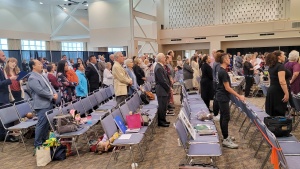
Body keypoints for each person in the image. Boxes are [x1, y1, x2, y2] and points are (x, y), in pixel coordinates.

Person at [216, 53, 245, 149]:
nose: (230, 59)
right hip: (223, 96)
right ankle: (225, 139)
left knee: (223, 117)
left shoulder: (221, 70)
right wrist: (238, 96)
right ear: (224, 60)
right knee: (226, 117)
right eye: (228, 58)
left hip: (222, 96)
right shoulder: (223, 72)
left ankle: (225, 136)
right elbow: (227, 88)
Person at [28, 59, 57, 148]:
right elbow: (40, 91)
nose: (42, 65)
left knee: (46, 124)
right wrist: (51, 96)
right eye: (39, 64)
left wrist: (54, 93)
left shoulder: (42, 75)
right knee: (41, 124)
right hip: (41, 104)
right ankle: (38, 144)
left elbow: (50, 86)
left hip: (48, 102)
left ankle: (45, 141)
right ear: (33, 66)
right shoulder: (32, 78)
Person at [0, 51, 19, 142]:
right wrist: (10, 79)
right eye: (3, 55)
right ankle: (6, 136)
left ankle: (5, 135)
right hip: (1, 97)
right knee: (5, 118)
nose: (5, 57)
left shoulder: (1, 68)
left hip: (4, 96)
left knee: (5, 118)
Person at [265, 51, 291, 116]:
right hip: (278, 91)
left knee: (272, 112)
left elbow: (271, 79)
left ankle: (273, 125)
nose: (284, 56)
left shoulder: (271, 66)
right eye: (283, 55)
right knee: (278, 112)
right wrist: (286, 93)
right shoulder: (280, 66)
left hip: (272, 89)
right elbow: (282, 81)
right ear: (279, 57)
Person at [155, 53, 171, 127]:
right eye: (164, 57)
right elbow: (162, 81)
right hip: (161, 90)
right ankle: (161, 121)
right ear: (161, 58)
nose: (165, 59)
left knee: (164, 106)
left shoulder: (160, 66)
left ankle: (163, 120)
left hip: (163, 89)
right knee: (162, 106)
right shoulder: (158, 67)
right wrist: (168, 88)